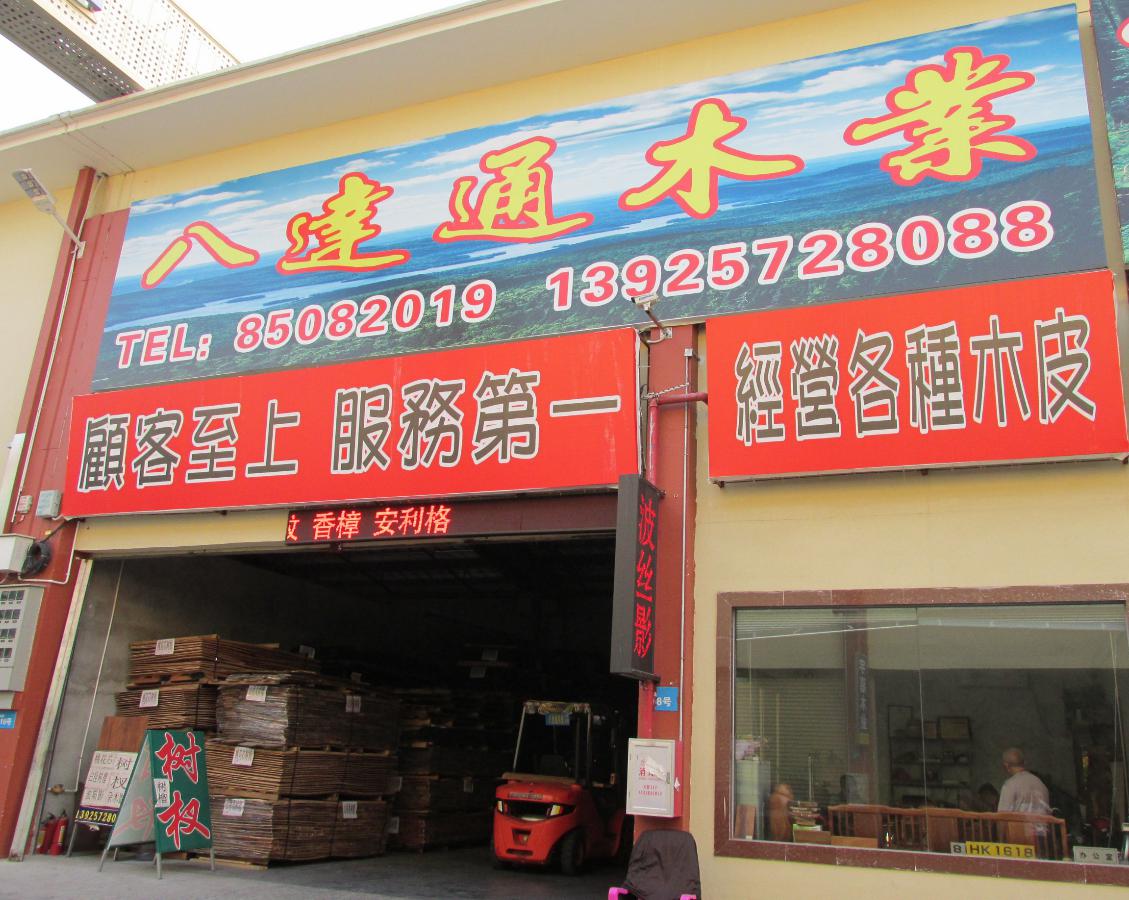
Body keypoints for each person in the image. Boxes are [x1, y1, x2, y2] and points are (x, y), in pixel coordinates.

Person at [998, 747, 1051, 815]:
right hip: (1040, 822)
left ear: (1006, 766)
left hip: (1019, 822)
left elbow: (1002, 816)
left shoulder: (1010, 785)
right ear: (1024, 763)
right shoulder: (1041, 785)